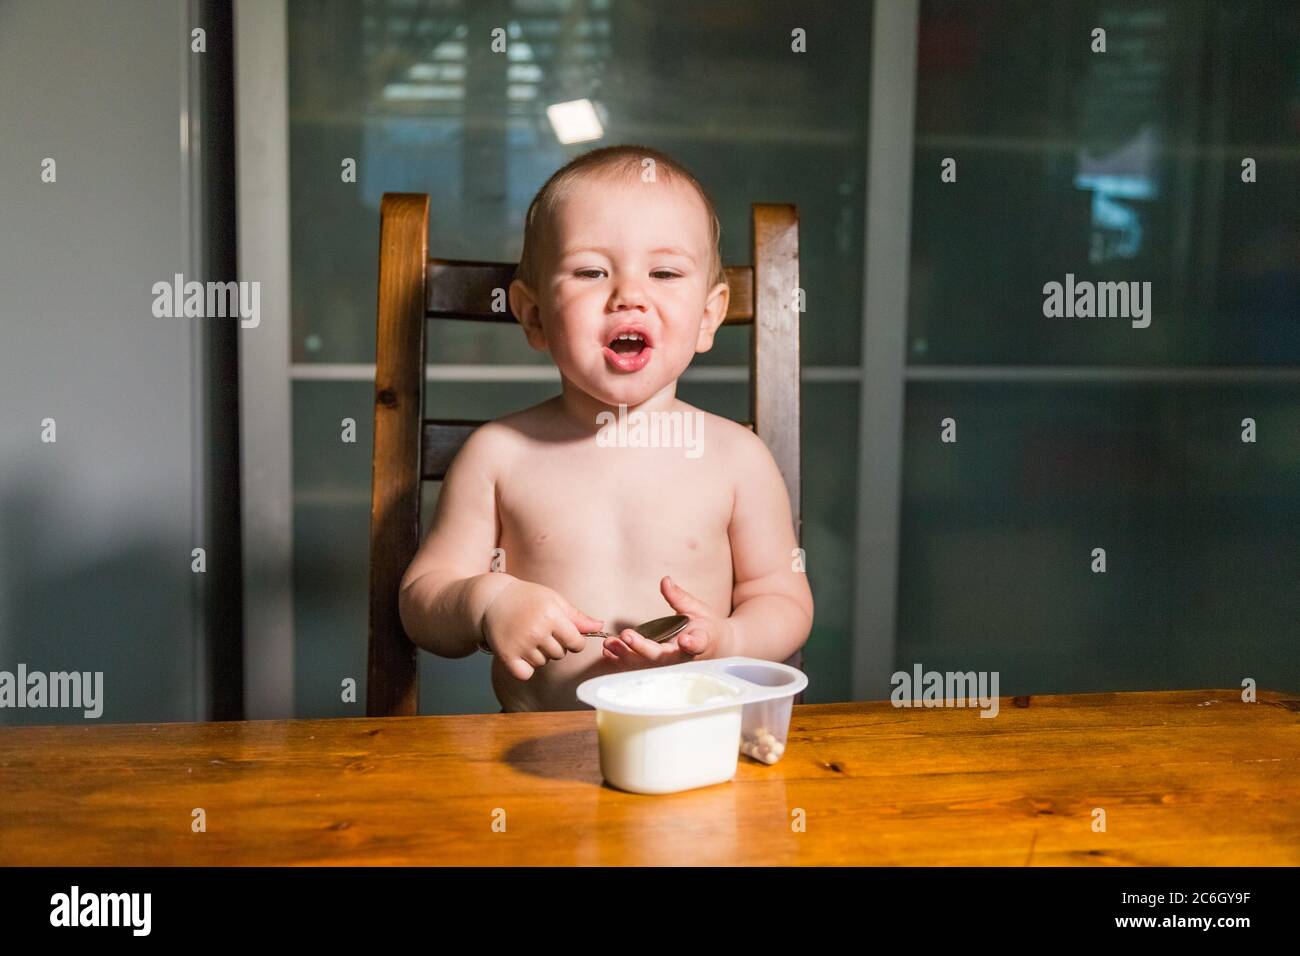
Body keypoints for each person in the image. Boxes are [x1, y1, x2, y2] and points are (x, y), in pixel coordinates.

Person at [398, 144, 813, 711]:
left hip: (692, 744)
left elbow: (782, 597)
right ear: (535, 315)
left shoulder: (737, 458)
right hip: (532, 757)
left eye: (664, 272)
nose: (629, 296)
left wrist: (729, 639)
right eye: (591, 271)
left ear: (708, 317)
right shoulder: (498, 455)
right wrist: (486, 601)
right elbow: (423, 601)